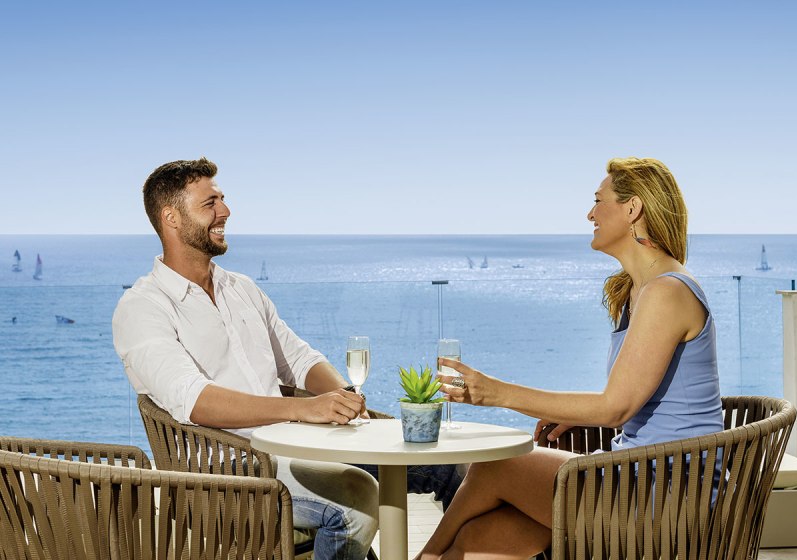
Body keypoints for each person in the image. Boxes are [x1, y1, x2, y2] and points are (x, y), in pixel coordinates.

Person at [112, 157, 462, 560]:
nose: (225, 211)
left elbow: (298, 359)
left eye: (222, 199)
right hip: (226, 474)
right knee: (355, 503)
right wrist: (304, 409)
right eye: (210, 203)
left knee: (452, 469)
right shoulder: (142, 308)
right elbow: (195, 400)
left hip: (298, 448)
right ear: (171, 218)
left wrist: (345, 397)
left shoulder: (241, 289)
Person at [415, 157, 724, 560]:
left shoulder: (667, 292)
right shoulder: (639, 291)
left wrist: (495, 393)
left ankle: (423, 557)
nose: (590, 214)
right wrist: (584, 415)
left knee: (496, 465)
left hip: (671, 496)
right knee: (481, 537)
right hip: (638, 475)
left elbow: (615, 407)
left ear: (633, 208)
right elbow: (640, 399)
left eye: (598, 201)